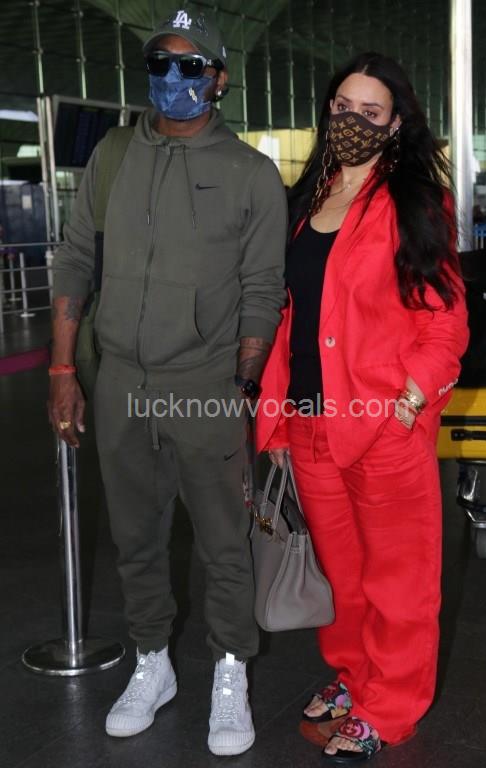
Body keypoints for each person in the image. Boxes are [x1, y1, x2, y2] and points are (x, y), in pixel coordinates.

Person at [48, 8, 287, 757]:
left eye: (190, 66)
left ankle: (230, 670)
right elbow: (75, 259)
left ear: (218, 79)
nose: (172, 79)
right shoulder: (114, 155)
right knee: (135, 537)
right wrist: (63, 368)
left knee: (223, 543)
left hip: (206, 383)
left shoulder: (250, 173)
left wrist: (240, 388)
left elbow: (262, 288)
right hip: (120, 379)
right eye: (160, 64)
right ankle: (152, 661)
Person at [255, 52, 469, 762]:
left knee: (398, 581)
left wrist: (410, 400)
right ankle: (355, 677)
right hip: (310, 422)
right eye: (342, 107)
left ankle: (392, 705)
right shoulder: (306, 199)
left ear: (396, 123)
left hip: (382, 425)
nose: (351, 121)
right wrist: (277, 414)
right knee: (342, 578)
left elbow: (446, 320)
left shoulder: (414, 204)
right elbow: (292, 314)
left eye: (370, 112)